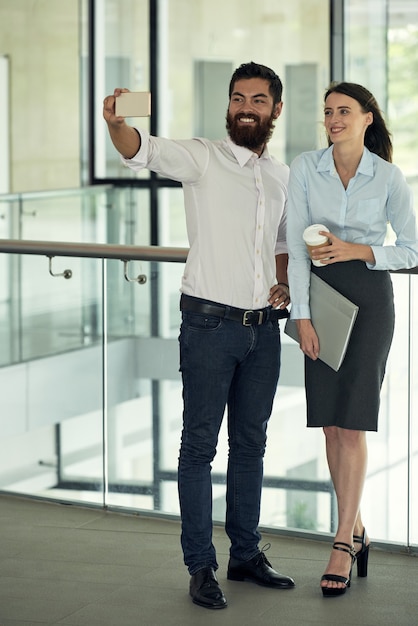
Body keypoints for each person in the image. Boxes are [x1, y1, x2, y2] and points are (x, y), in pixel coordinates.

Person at [103, 61, 295, 610]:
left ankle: (245, 554)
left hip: (264, 329)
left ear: (276, 110)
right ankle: (201, 567)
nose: (247, 108)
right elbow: (142, 149)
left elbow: (281, 242)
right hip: (210, 325)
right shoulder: (203, 157)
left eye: (258, 100)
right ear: (229, 105)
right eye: (239, 98)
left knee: (251, 446)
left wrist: (282, 283)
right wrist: (117, 123)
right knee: (198, 448)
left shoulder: (279, 176)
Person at [286, 81, 418, 597]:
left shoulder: (388, 177)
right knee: (329, 425)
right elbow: (297, 248)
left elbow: (410, 249)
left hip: (368, 301)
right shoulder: (305, 168)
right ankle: (357, 527)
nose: (334, 119)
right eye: (327, 112)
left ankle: (341, 542)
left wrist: (357, 250)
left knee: (353, 421)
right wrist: (301, 318)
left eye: (344, 111)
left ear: (367, 118)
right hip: (319, 300)